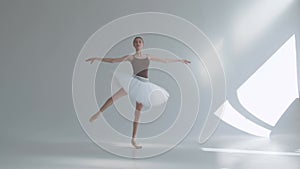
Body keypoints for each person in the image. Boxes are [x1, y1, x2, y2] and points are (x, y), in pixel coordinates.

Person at [86, 36, 190, 149]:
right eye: (136, 42)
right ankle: (98, 114)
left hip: (144, 85)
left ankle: (133, 139)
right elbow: (113, 60)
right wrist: (97, 58)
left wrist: (180, 60)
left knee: (138, 112)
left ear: (143, 44)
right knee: (114, 98)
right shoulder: (131, 57)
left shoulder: (148, 56)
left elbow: (165, 61)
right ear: (134, 45)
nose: (138, 43)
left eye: (139, 42)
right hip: (134, 82)